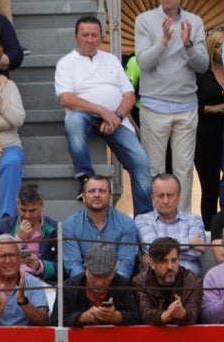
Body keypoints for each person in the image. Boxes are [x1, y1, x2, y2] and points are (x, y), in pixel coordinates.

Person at [56, 15, 152, 210]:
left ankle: (144, 217)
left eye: (94, 35)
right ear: (76, 37)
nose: (90, 39)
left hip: (117, 120)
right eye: (85, 35)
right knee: (72, 122)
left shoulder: (111, 60)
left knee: (141, 161)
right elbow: (66, 98)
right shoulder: (66, 63)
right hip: (84, 116)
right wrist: (101, 110)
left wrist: (116, 116)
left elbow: (129, 95)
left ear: (101, 37)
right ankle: (85, 178)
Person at [63, 174, 139, 281]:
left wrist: (113, 286)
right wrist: (88, 286)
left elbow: (125, 264)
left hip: (116, 286)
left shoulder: (127, 223)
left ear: (110, 196)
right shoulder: (70, 225)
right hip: (83, 287)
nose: (97, 195)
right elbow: (73, 265)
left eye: (102, 191)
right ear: (83, 197)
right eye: (92, 191)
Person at [134, 174, 206, 278]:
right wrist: (189, 243)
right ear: (152, 198)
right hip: (155, 285)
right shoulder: (142, 220)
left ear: (178, 196)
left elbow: (197, 253)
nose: (165, 201)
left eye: (170, 195)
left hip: (189, 284)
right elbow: (154, 248)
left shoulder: (194, 220)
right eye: (160, 196)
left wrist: (158, 257)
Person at [0, 38, 23, 226]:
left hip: (7, 146)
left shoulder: (8, 86)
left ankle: (5, 220)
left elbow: (18, 119)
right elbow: (9, 121)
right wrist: (2, 122)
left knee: (13, 161)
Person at [63, 241, 140, 327]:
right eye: (95, 276)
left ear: (114, 272)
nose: (99, 282)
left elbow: (137, 318)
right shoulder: (69, 286)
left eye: (106, 276)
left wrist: (116, 316)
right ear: (85, 269)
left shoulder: (123, 284)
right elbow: (55, 320)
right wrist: (81, 317)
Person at [0, 233, 51, 327]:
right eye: (2, 256)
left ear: (20, 258)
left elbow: (44, 322)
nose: (8, 261)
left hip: (26, 339)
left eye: (12, 255)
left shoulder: (33, 283)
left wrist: (23, 301)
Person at [133, 237, 202, 326]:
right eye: (163, 261)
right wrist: (165, 315)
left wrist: (183, 313)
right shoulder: (140, 282)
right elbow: (146, 315)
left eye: (174, 260)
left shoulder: (193, 281)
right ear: (152, 263)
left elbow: (194, 314)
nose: (170, 266)